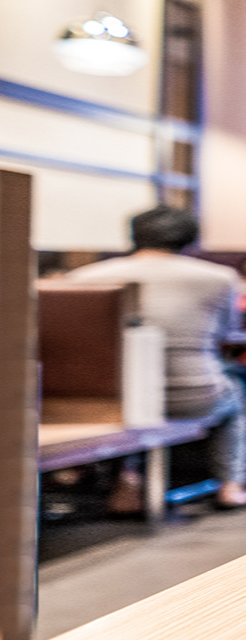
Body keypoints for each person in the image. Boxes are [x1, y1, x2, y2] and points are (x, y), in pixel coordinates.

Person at [64, 206, 246, 509]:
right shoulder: (220, 277)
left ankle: (128, 481)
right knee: (237, 394)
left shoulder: (84, 277)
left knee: (133, 389)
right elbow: (225, 332)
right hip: (194, 394)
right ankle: (231, 484)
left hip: (109, 397)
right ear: (190, 238)